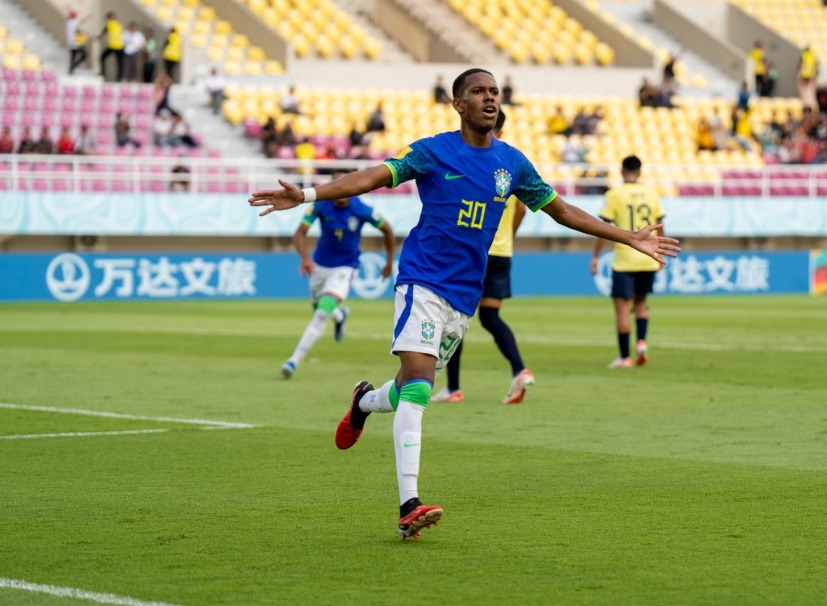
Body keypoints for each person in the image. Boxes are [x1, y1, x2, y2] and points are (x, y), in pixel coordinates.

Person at [248, 69, 680, 541]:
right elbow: (372, 176)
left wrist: (626, 236)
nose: (489, 98)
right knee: (419, 386)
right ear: (458, 104)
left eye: (495, 92)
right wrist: (308, 195)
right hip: (422, 279)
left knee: (408, 386)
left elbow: (562, 210)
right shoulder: (432, 151)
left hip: (464, 294)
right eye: (478, 92)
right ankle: (409, 505)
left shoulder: (512, 163)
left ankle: (364, 402)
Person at [431, 108, 535, 405]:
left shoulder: (477, 158)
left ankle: (453, 388)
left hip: (475, 252)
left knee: (454, 317)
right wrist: (509, 235)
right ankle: (519, 369)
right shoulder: (512, 162)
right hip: (502, 252)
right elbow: (523, 207)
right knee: (490, 317)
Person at [280, 171, 396, 379]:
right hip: (319, 266)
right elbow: (300, 233)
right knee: (319, 306)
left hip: (345, 266)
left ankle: (293, 361)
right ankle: (340, 316)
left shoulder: (361, 209)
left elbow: (387, 229)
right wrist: (305, 259)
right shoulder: (320, 205)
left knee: (321, 313)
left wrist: (389, 261)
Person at [590, 155, 666, 370]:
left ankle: (625, 357)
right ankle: (641, 341)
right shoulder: (652, 194)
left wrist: (595, 256)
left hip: (625, 259)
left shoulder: (614, 194)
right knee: (641, 303)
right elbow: (659, 224)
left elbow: (603, 228)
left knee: (622, 309)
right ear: (640, 172)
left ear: (621, 171)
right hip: (648, 257)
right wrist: (660, 252)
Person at [97, 11, 125, 82]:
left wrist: (98, 37)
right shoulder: (119, 23)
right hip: (120, 46)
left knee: (102, 57)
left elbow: (104, 32)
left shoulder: (110, 23)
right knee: (119, 63)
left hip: (113, 45)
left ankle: (103, 74)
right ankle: (119, 78)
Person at [66, 10, 90, 74]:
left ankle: (71, 70)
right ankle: (74, 66)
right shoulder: (72, 23)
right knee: (84, 54)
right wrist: (88, 18)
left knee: (73, 57)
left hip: (71, 42)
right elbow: (80, 24)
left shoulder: (69, 22)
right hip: (75, 42)